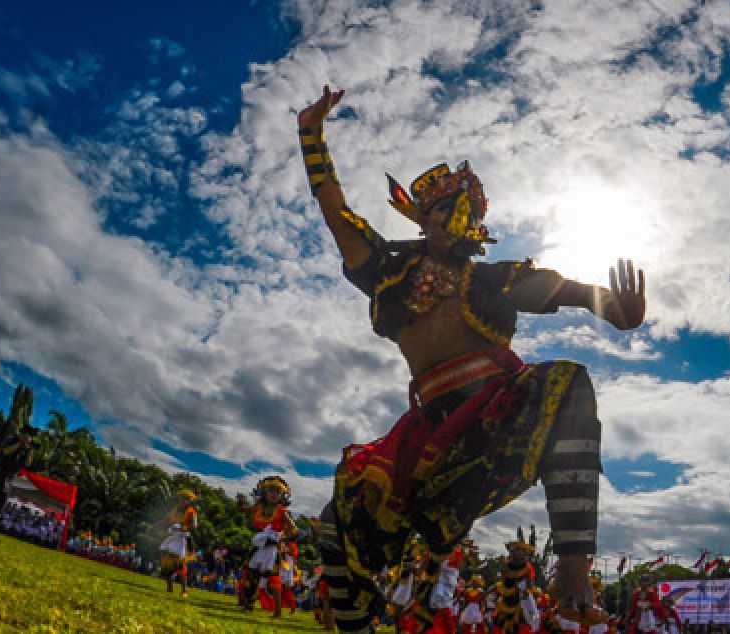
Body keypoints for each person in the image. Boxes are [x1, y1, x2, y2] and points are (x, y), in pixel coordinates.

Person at [297, 85, 646, 634]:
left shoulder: (495, 280)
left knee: (567, 381)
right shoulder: (388, 270)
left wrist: (614, 310)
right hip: (428, 433)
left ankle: (573, 580)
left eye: (465, 210)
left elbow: (571, 292)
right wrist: (310, 133)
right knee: (335, 528)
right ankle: (355, 626)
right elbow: (334, 208)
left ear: (477, 224)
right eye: (440, 208)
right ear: (421, 217)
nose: (451, 219)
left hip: (496, 415)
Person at [238, 476, 298, 617]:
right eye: (270, 490)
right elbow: (243, 510)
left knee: (273, 577)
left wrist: (281, 538)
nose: (274, 494)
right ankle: (249, 604)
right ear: (264, 493)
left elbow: (294, 529)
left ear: (282, 495)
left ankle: (277, 611)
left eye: (277, 491)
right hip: (259, 545)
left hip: (273, 548)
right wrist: (240, 502)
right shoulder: (258, 507)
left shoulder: (282, 511)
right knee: (251, 574)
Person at [0, 424, 35, 539]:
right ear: (22, 434)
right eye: (28, 435)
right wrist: (19, 444)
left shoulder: (25, 448)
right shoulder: (10, 439)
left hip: (8, 480)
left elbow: (27, 464)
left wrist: (30, 449)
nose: (30, 437)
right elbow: (5, 451)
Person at [157, 489, 199, 597]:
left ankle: (184, 590)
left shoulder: (191, 512)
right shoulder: (176, 509)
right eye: (182, 498)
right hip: (173, 537)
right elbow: (166, 519)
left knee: (180, 564)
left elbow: (194, 526)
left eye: (186, 498)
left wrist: (182, 527)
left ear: (190, 500)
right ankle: (169, 588)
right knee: (166, 563)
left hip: (183, 539)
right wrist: (155, 526)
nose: (183, 500)